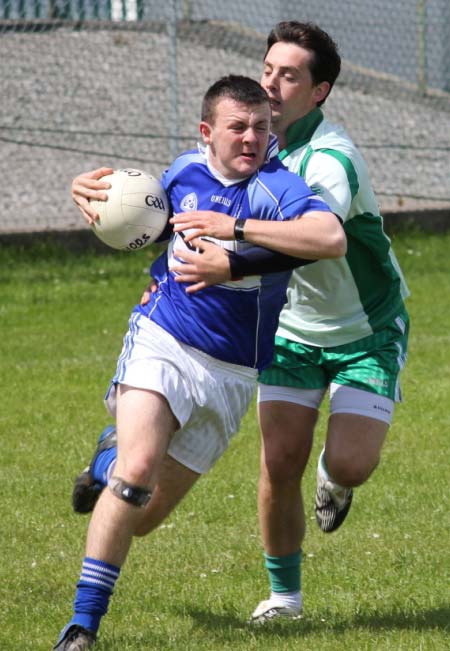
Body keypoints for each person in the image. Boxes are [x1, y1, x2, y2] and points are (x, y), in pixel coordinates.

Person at [54, 74, 346, 650]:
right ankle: (81, 627)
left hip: (232, 374)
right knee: (137, 474)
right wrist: (90, 195)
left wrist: (231, 247)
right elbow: (142, 217)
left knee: (147, 514)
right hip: (163, 338)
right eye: (237, 127)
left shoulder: (279, 189)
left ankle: (106, 455)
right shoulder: (182, 173)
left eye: (261, 127)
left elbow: (330, 238)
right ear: (207, 132)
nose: (251, 138)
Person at [148, 22, 410, 623]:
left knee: (349, 462)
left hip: (364, 330)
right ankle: (285, 600)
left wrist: (232, 242)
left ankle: (336, 479)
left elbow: (321, 241)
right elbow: (179, 201)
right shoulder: (250, 142)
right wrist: (106, 200)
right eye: (268, 68)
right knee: (278, 462)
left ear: (318, 92)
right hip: (290, 329)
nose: (269, 83)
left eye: (288, 75)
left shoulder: (329, 158)